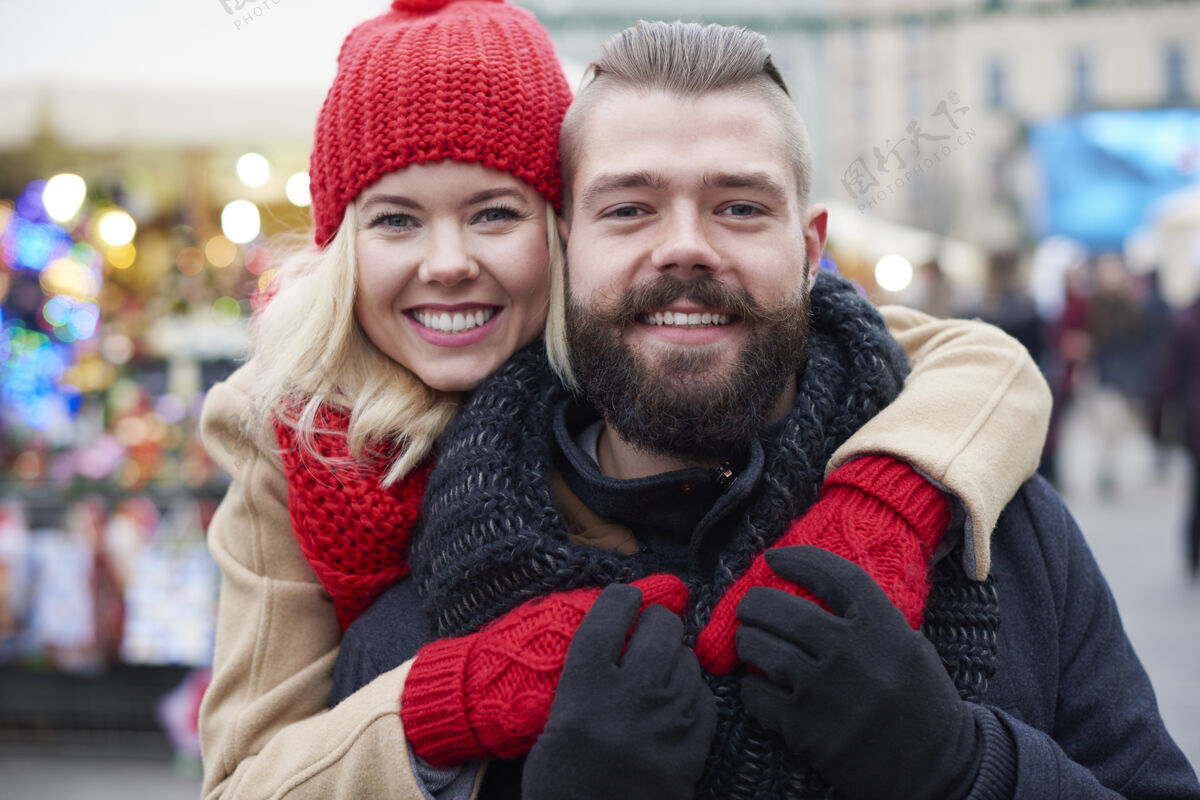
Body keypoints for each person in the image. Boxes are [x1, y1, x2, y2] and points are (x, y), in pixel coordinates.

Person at [198, 3, 1054, 798]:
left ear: (555, 234)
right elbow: (242, 776)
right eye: (394, 221)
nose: (448, 260)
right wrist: (450, 704)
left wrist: (894, 502)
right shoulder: (301, 443)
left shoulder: (638, 338)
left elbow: (977, 362)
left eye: (494, 213)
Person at [1150, 292, 1200, 577]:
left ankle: (1193, 549)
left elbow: (1169, 377)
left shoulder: (1187, 321)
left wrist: (1157, 422)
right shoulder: (1186, 323)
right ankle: (1193, 548)